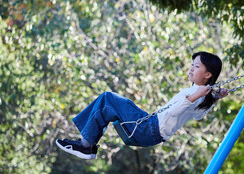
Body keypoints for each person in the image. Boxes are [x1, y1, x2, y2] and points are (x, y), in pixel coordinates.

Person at [56, 51, 229, 159]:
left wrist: (199, 97)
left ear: (208, 74)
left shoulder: (197, 94)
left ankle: (86, 146)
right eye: (192, 65)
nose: (191, 69)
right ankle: (87, 144)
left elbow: (176, 112)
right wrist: (214, 99)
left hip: (150, 129)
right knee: (110, 104)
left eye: (196, 66)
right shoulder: (199, 93)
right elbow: (197, 114)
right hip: (151, 126)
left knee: (108, 98)